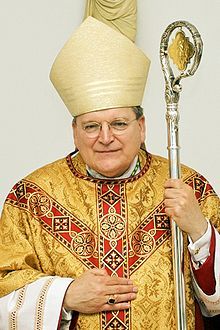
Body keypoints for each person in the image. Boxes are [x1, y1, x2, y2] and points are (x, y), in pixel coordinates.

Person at [0, 1, 219, 329]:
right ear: (74, 132)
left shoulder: (188, 186)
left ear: (141, 127)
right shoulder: (31, 197)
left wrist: (200, 230)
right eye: (91, 126)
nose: (105, 138)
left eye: (118, 124)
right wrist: (65, 294)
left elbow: (214, 305)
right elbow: (4, 288)